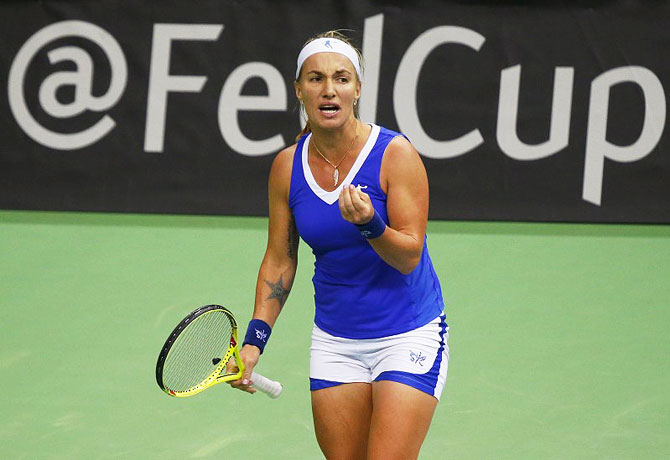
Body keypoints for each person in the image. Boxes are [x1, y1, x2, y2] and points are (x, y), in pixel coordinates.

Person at [229, 30, 449, 460]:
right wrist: (254, 342)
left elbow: (408, 256)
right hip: (336, 341)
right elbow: (280, 260)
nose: (328, 89)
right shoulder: (286, 168)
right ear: (299, 90)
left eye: (341, 78)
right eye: (315, 79)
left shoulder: (394, 155)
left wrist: (370, 225)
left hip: (408, 332)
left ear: (357, 90)